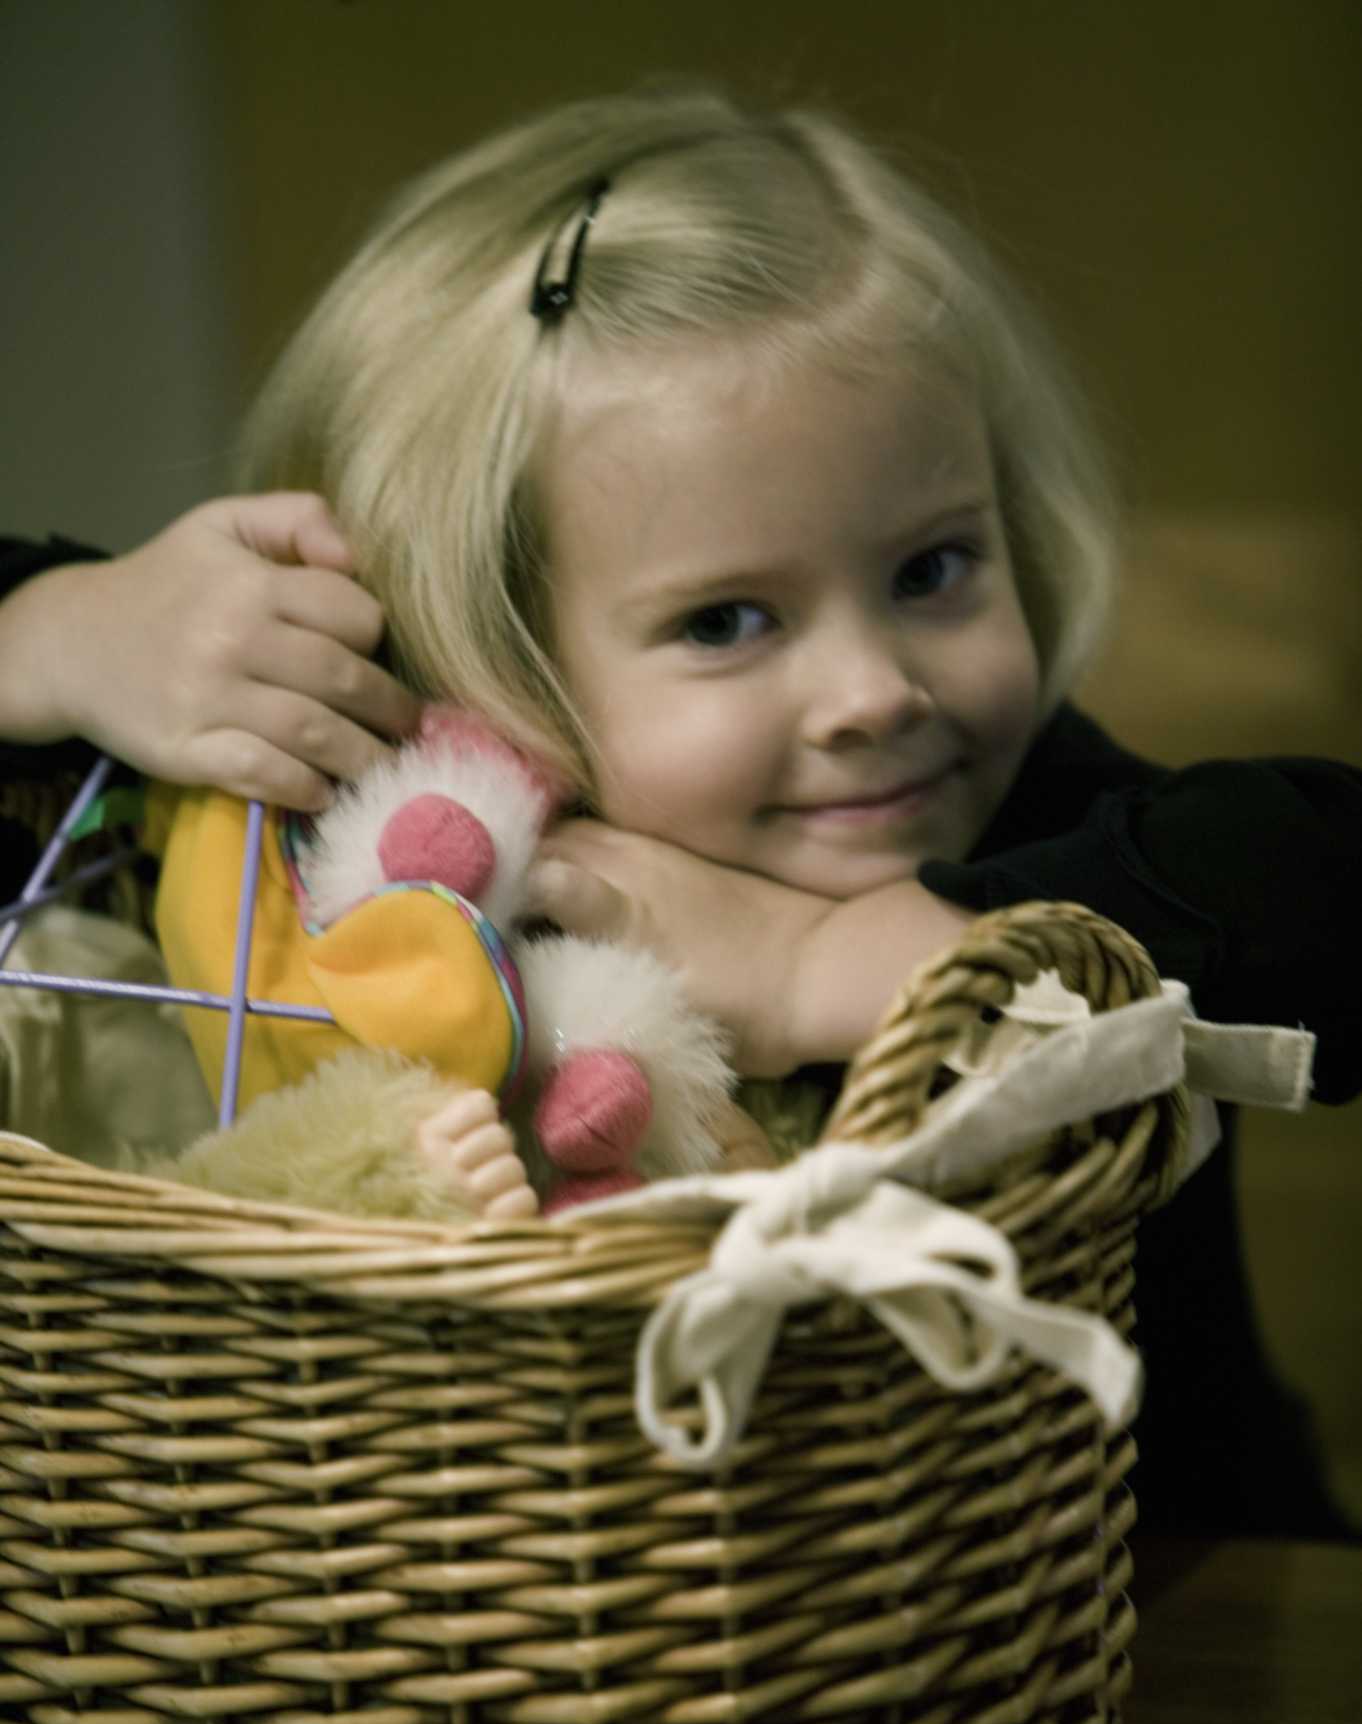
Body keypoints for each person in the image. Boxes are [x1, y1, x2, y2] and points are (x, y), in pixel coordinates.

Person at [1, 84, 1358, 1540]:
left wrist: (823, 963)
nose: (872, 689)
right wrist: (54, 631)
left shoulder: (1023, 807)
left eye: (931, 569)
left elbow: (1322, 876)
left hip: (1164, 1615)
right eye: (725, 620)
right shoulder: (414, 847)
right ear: (478, 654)